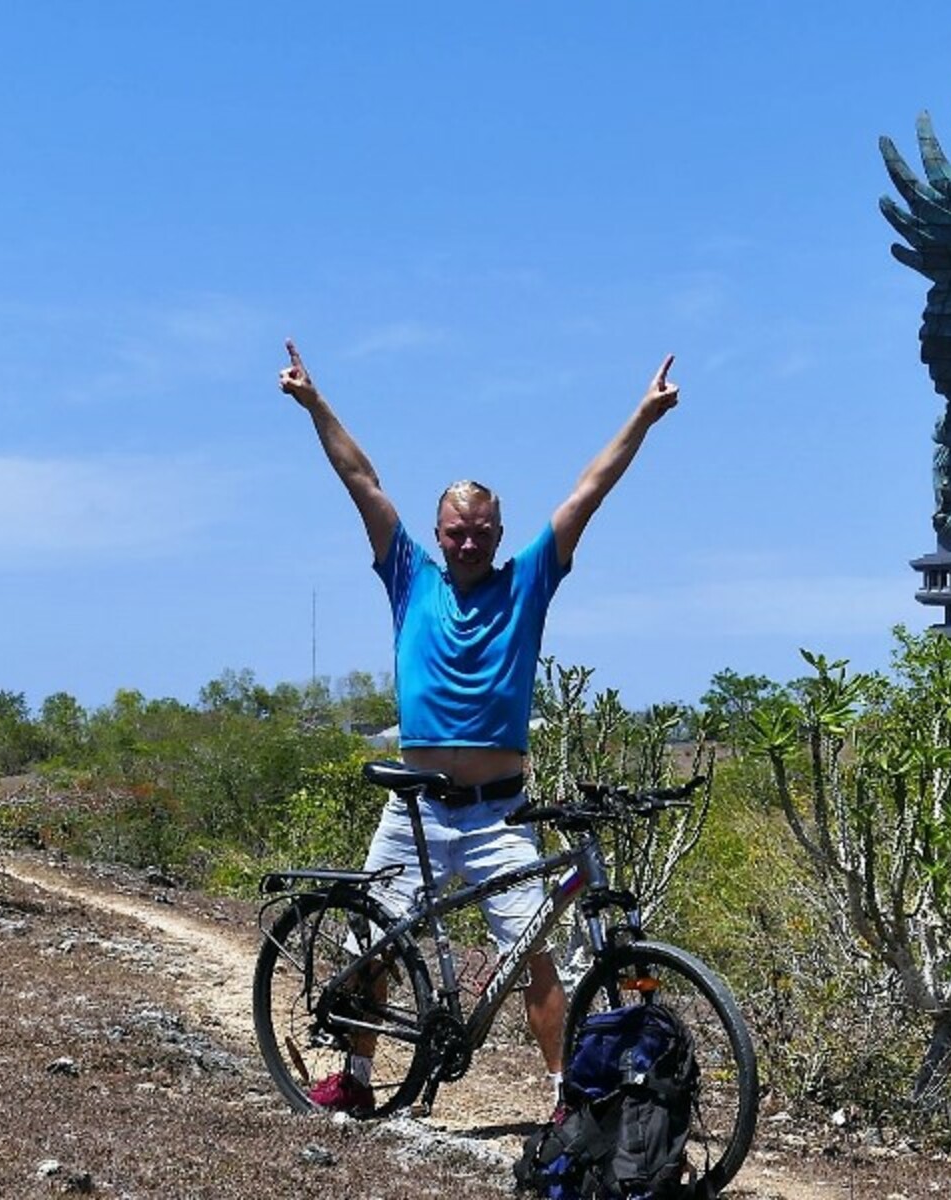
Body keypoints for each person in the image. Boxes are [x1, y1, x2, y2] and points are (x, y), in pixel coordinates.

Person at [278, 338, 680, 1114]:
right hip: (413, 812)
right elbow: (361, 479)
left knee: (533, 956)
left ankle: (566, 1100)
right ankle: (357, 1081)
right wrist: (313, 401)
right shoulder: (407, 576)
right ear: (438, 534)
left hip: (498, 812)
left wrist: (644, 415)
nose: (468, 541)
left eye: (481, 530)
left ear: (499, 533)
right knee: (374, 945)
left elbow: (587, 493)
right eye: (456, 530)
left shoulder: (528, 581)